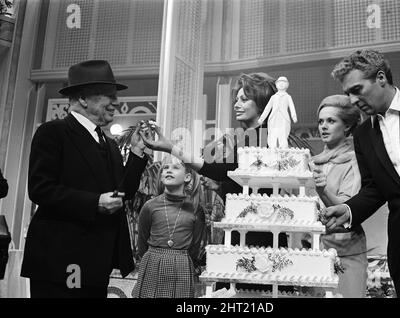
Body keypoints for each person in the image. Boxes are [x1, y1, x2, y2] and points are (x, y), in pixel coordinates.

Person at [324, 49, 400, 298]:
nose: (351, 100)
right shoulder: (362, 135)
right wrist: (349, 209)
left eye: (356, 90)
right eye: (347, 94)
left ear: (381, 78)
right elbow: (374, 189)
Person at [21, 60, 149, 298]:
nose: (116, 102)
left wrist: (136, 155)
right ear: (82, 98)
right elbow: (40, 189)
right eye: (108, 95)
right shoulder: (53, 132)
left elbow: (121, 194)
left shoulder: (109, 144)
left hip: (95, 264)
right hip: (61, 261)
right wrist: (94, 202)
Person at [142, 73, 288, 249]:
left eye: (244, 99)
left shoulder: (259, 136)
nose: (236, 104)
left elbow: (219, 170)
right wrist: (220, 188)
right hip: (248, 225)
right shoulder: (253, 136)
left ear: (261, 104)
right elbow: (244, 186)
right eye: (237, 99)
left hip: (257, 231)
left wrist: (170, 147)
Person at [310, 95, 367, 298]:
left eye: (331, 121)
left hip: (346, 252)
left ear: (347, 127)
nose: (323, 126)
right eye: (321, 121)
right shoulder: (311, 162)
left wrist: (324, 191)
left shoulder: (354, 162)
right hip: (313, 250)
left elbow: (348, 209)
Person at [132, 156, 205, 298]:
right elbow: (142, 243)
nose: (168, 170)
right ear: (160, 177)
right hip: (152, 263)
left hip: (182, 264)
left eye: (175, 167)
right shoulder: (150, 206)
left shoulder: (195, 209)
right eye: (165, 168)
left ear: (187, 177)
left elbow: (195, 246)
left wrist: (180, 259)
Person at [257, 76, 297, 148]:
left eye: (284, 83)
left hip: (284, 118)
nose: (281, 84)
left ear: (287, 85)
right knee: (272, 135)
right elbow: (267, 109)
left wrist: (294, 116)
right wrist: (262, 118)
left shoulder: (288, 97)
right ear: (276, 84)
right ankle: (272, 149)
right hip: (274, 118)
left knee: (283, 136)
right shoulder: (273, 97)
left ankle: (283, 151)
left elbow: (292, 107)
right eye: (279, 82)